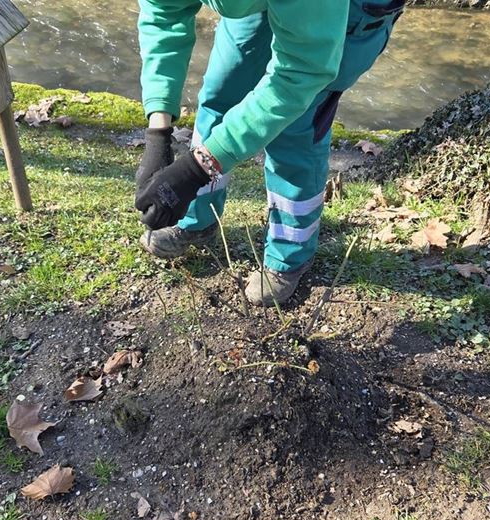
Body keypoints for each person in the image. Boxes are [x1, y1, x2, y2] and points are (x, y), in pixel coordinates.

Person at [134, 0, 404, 305]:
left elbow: (300, 75)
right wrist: (158, 134)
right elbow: (163, 13)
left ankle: (289, 256)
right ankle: (198, 218)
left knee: (298, 125)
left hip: (345, 10)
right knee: (222, 92)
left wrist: (194, 169)